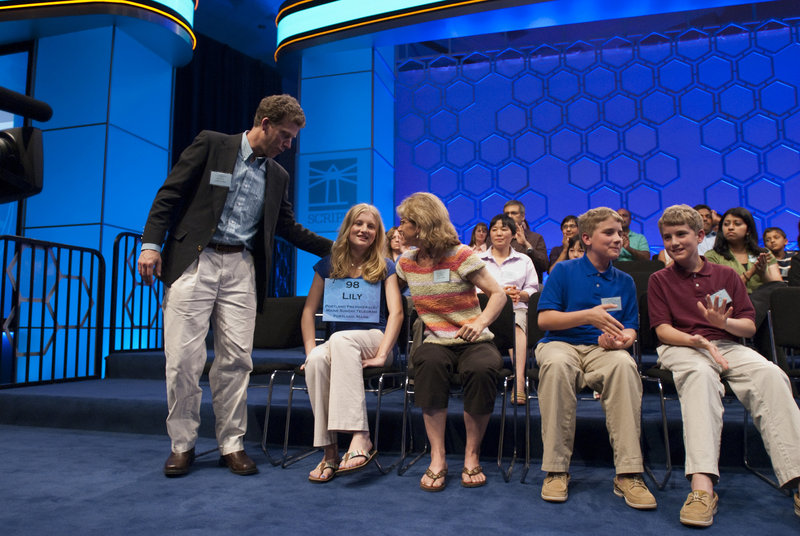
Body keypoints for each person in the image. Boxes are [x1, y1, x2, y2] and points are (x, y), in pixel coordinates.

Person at [138, 94, 332, 477]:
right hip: (196, 260)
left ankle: (232, 443)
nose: (288, 145)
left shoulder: (279, 175)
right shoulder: (213, 144)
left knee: (236, 361)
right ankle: (182, 444)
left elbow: (287, 227)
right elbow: (170, 193)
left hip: (242, 267)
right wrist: (149, 244)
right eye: (285, 136)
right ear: (264, 123)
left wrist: (340, 248)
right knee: (181, 361)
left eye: (292, 139)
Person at [648, 204, 800, 527]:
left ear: (700, 236)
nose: (673, 242)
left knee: (772, 375)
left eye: (681, 235)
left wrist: (724, 323)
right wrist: (699, 341)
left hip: (727, 343)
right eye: (667, 237)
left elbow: (747, 327)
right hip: (681, 346)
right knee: (702, 375)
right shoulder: (659, 279)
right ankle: (702, 488)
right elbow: (662, 330)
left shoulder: (727, 275)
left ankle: (798, 477)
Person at [535, 207, 656, 509]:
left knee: (625, 366)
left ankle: (629, 472)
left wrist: (622, 340)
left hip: (604, 350)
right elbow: (545, 321)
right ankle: (556, 469)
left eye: (620, 233)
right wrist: (587, 316)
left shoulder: (625, 281)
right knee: (557, 365)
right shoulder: (563, 271)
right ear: (587, 238)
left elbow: (630, 329)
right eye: (610, 233)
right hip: (561, 344)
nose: (618, 239)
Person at [395, 192, 506, 491]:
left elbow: (499, 295)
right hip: (435, 341)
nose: (399, 228)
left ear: (421, 225)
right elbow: (387, 288)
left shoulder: (461, 255)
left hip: (473, 340)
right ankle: (438, 456)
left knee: (483, 369)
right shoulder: (405, 262)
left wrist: (480, 322)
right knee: (427, 364)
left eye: (404, 222)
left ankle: (472, 455)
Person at [302, 204, 403, 483]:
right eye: (359, 224)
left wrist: (383, 354)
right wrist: (310, 350)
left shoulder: (386, 266)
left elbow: (397, 313)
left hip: (377, 340)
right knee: (317, 360)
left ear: (378, 234)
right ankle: (330, 452)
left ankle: (361, 436)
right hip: (340, 344)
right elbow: (308, 311)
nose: (364, 230)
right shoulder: (328, 264)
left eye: (371, 226)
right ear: (348, 227)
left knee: (340, 338)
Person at [479, 214, 539, 405]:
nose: (499, 233)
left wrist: (521, 295)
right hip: (485, 309)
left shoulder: (523, 260)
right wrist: (496, 293)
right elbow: (471, 289)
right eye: (495, 229)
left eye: (504, 229)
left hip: (515, 308)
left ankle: (519, 383)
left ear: (513, 234)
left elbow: (533, 287)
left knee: (518, 323)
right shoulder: (478, 260)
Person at [704, 207, 784, 328]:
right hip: (727, 302)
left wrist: (762, 273)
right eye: (726, 224)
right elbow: (718, 294)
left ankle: (749, 324)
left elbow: (775, 287)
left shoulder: (763, 253)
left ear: (748, 230)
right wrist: (751, 272)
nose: (730, 227)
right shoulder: (712, 256)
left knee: (779, 288)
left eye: (737, 224)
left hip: (760, 304)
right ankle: (748, 326)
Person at [503, 200, 548, 280]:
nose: (509, 216)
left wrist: (526, 244)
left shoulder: (536, 238)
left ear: (523, 216)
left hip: (528, 286)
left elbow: (544, 266)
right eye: (507, 214)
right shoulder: (494, 238)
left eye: (513, 213)